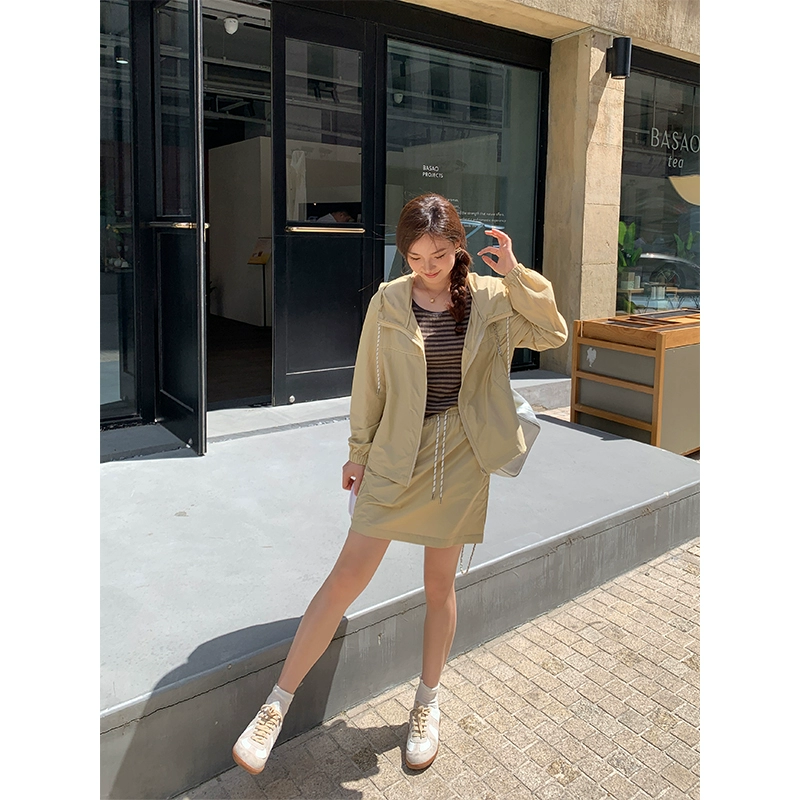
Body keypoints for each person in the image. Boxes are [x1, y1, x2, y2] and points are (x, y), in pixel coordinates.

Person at [232, 193, 568, 775]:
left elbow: (552, 332)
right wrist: (358, 451)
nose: (427, 267)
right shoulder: (388, 301)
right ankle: (276, 705)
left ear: (458, 247)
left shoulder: (490, 297)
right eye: (415, 257)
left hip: (460, 457)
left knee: (439, 586)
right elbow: (369, 381)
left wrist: (516, 274)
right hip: (395, 454)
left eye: (439, 255)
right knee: (345, 578)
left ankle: (427, 703)